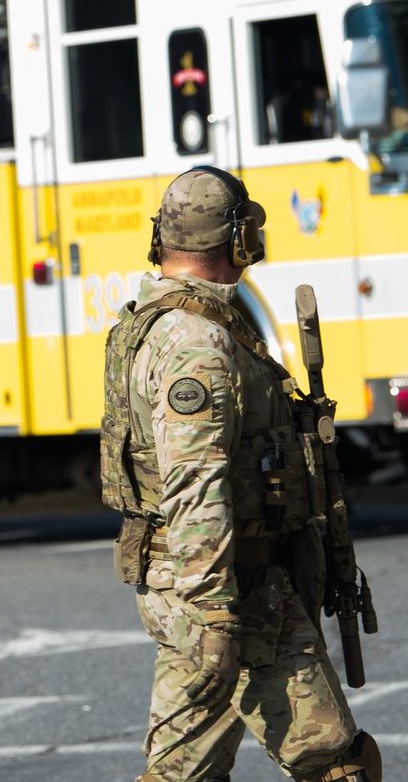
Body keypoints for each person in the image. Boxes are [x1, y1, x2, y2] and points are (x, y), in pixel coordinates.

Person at [100, 166, 380, 782]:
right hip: (233, 590)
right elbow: (194, 485)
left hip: (210, 584)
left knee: (183, 773)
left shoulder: (178, 322)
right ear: (237, 240)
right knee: (333, 761)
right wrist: (216, 615)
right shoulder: (194, 343)